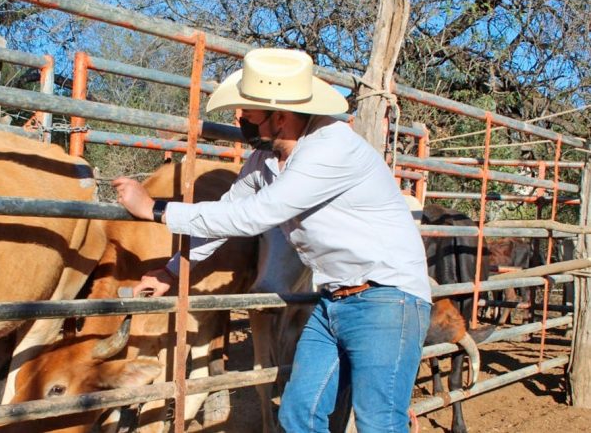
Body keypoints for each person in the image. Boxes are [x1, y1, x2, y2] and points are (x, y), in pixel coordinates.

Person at [112, 48, 432, 433]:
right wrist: (172, 270)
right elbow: (228, 213)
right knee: (298, 413)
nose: (239, 119)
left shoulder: (329, 149)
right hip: (334, 300)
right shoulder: (264, 162)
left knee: (379, 422)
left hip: (386, 298)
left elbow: (256, 215)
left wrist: (157, 209)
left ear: (279, 116)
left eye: (248, 111)